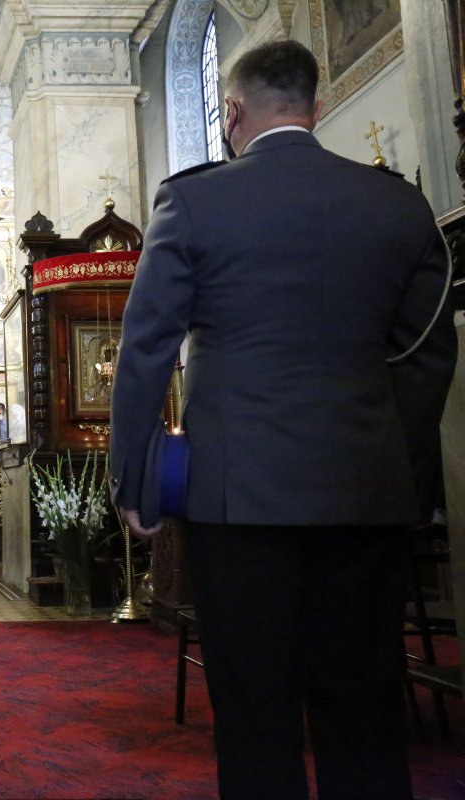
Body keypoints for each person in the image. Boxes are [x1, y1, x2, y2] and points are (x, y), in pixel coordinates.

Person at [109, 41, 455, 800]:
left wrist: (136, 481)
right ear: (318, 106)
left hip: (238, 504)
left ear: (231, 112)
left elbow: (145, 348)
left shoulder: (193, 202)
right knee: (364, 709)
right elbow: (428, 352)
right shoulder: (398, 203)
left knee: (255, 717)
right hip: (365, 499)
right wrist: (397, 472)